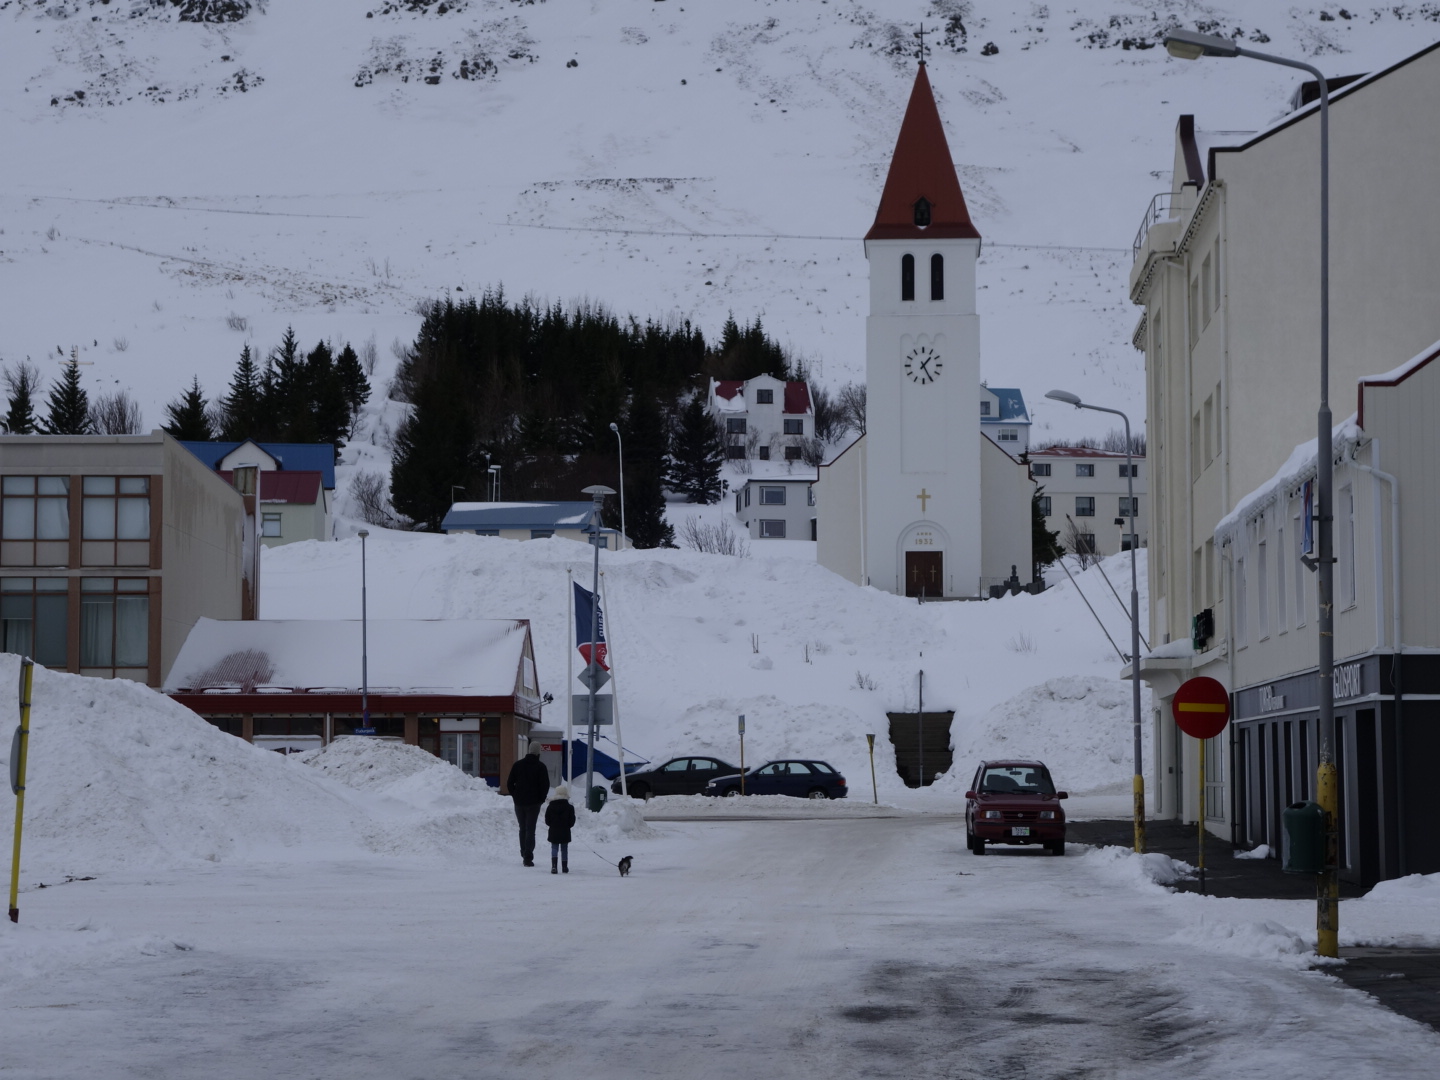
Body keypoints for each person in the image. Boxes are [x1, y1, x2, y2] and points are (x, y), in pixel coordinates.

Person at [506, 742, 551, 866]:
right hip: (534, 803)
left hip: (519, 803)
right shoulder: (541, 767)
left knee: (522, 828)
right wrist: (541, 799)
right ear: (538, 753)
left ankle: (523, 851)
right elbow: (545, 785)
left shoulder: (518, 765)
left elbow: (509, 783)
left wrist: (515, 795)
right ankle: (528, 855)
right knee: (531, 829)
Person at [544, 786, 575, 874]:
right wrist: (568, 825)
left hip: (553, 830)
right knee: (564, 849)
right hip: (565, 831)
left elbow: (547, 820)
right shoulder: (570, 807)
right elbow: (572, 821)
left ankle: (554, 866)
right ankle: (564, 867)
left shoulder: (550, 806)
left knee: (554, 847)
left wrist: (552, 825)